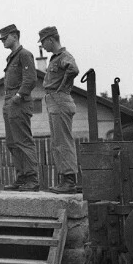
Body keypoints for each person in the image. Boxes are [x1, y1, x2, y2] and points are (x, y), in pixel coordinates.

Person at [0, 24, 40, 191]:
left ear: (15, 36)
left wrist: (18, 96)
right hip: (9, 99)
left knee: (23, 141)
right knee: (12, 142)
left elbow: (30, 79)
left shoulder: (24, 54)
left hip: (18, 100)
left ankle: (32, 178)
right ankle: (21, 177)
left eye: (5, 38)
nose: (3, 41)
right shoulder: (11, 57)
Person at [39, 26, 80, 194]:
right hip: (55, 101)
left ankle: (69, 181)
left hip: (60, 100)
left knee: (63, 141)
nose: (43, 46)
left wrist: (62, 87)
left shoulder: (64, 56)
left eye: (43, 42)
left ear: (50, 39)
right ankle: (64, 179)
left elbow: (74, 69)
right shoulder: (55, 58)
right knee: (57, 142)